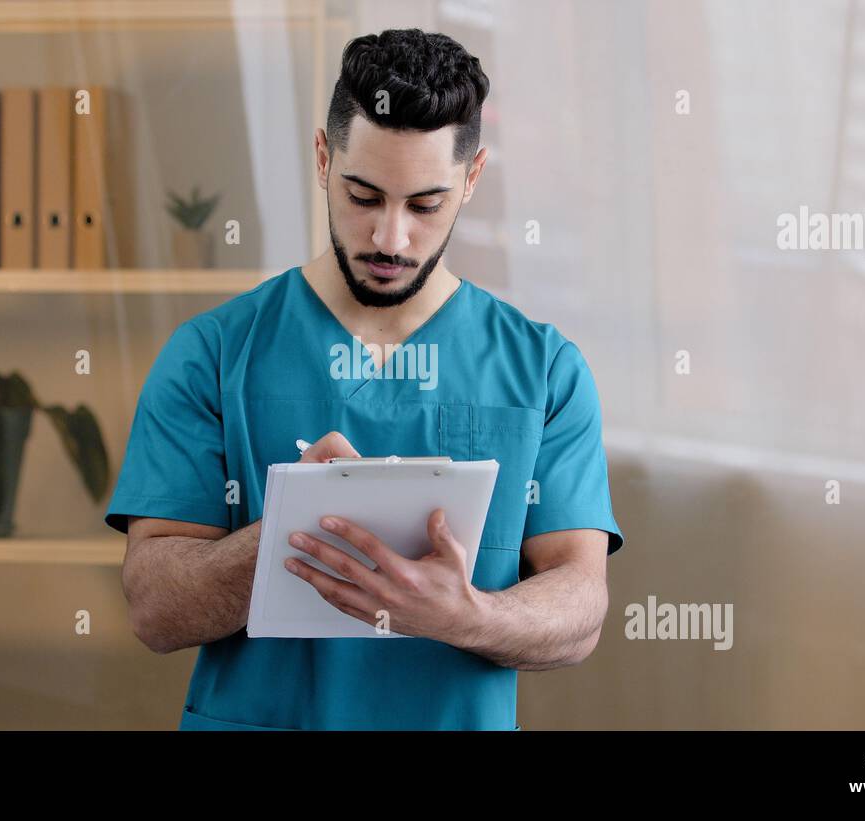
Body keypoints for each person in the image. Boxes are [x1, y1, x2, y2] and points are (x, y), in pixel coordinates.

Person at [106, 28, 624, 730]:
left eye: (424, 204)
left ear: (471, 180)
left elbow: (580, 605)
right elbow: (153, 608)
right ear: (324, 157)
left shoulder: (544, 371)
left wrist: (467, 614)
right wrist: (287, 531)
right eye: (363, 194)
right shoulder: (211, 355)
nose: (389, 237)